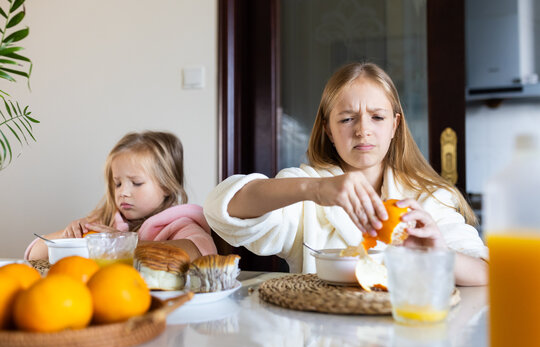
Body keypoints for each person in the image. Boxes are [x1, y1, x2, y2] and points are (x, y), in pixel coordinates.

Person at [204, 62, 488, 286]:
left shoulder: (429, 198)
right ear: (328, 129)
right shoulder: (307, 190)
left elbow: (487, 272)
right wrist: (315, 190)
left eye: (377, 117)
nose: (363, 129)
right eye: (347, 118)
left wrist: (439, 254)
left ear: (394, 126)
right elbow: (224, 209)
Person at [26, 131, 217, 261]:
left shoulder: (180, 224)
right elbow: (34, 254)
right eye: (117, 183)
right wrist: (70, 235)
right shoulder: (105, 222)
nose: (123, 192)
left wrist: (124, 245)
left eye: (136, 183)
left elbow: (200, 252)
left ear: (166, 186)